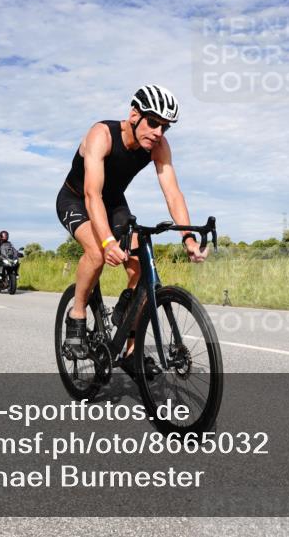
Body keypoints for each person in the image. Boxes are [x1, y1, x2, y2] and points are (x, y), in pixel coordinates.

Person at [56, 85, 208, 368]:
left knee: (142, 265)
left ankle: (129, 351)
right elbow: (92, 195)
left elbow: (173, 193)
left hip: (114, 203)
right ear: (134, 115)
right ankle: (77, 313)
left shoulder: (158, 147)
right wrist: (106, 241)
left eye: (165, 127)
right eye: (153, 123)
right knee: (97, 253)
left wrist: (188, 238)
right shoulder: (101, 135)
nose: (158, 133)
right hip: (76, 199)